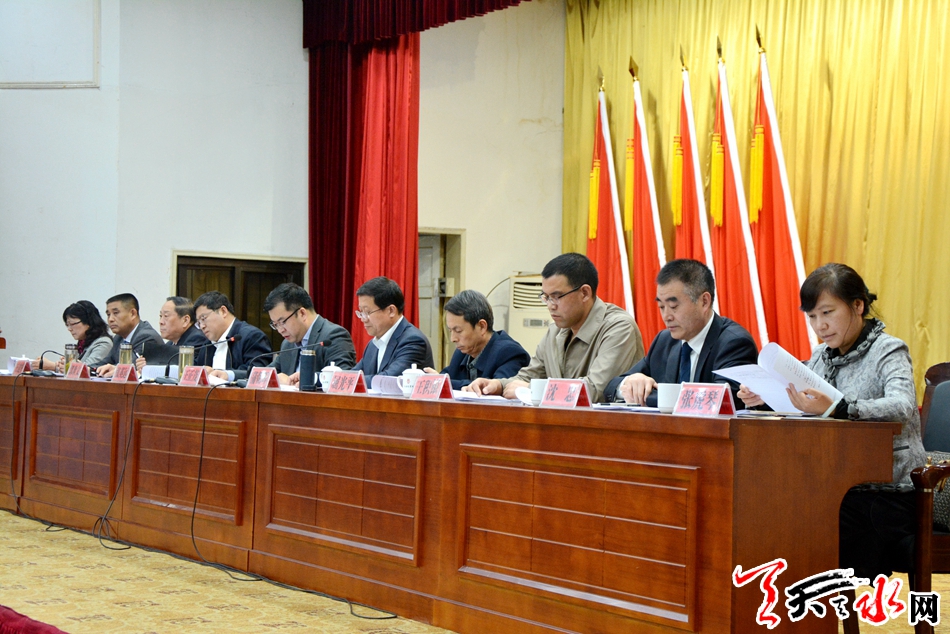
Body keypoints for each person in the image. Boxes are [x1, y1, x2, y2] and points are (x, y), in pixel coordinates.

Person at [737, 263, 925, 581]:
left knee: (813, 524)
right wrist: (764, 397)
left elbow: (903, 406)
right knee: (769, 507)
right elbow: (806, 408)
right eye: (812, 316)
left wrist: (842, 407)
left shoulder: (888, 350)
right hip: (835, 484)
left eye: (827, 312)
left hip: (890, 491)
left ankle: (815, 605)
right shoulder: (820, 356)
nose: (820, 325)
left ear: (857, 305)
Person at [467, 253, 644, 402]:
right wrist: (497, 385)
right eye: (546, 297)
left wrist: (533, 390)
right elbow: (529, 376)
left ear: (584, 293)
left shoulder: (619, 328)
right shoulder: (555, 331)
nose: (550, 305)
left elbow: (596, 390)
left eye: (557, 296)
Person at [606, 259, 758, 405]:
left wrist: (646, 396)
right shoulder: (664, 341)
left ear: (704, 301)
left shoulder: (734, 343)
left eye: (673, 306)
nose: (666, 316)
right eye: (661, 307)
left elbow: (718, 400)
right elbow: (611, 387)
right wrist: (630, 383)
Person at [424, 289, 530, 389]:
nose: (453, 339)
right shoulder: (462, 352)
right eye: (450, 331)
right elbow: (446, 377)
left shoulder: (509, 353)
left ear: (482, 326)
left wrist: (443, 383)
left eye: (458, 331)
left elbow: (493, 389)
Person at [263, 283, 356, 385]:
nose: (280, 330)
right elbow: (265, 374)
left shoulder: (333, 336)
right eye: (275, 324)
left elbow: (343, 378)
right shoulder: (287, 344)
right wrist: (274, 378)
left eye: (282, 322)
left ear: (302, 313)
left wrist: (309, 379)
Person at [352, 277, 434, 381]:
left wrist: (350, 381)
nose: (363, 319)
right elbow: (353, 375)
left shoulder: (413, 341)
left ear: (391, 311)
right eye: (361, 312)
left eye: (367, 312)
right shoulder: (373, 345)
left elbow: (388, 380)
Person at [193, 291, 272, 381]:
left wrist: (228, 375)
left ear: (223, 311)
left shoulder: (252, 336)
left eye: (203, 318)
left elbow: (259, 373)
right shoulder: (207, 345)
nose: (202, 326)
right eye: (198, 323)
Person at [95, 293, 164, 376]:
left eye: (115, 313)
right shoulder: (118, 338)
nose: (110, 319)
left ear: (132, 314)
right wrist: (88, 368)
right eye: (108, 314)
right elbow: (106, 362)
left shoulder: (147, 336)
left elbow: (130, 366)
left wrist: (113, 368)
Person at [134, 297, 209, 373]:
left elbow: (186, 370)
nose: (161, 322)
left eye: (166, 316)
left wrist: (152, 366)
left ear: (185, 320)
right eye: (160, 316)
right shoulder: (170, 343)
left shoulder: (196, 338)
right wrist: (144, 365)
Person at [35, 301, 114, 371]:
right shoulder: (82, 343)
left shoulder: (103, 343)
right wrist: (63, 363)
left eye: (72, 324)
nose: (69, 329)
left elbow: (89, 369)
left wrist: (54, 366)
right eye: (67, 325)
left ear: (89, 322)